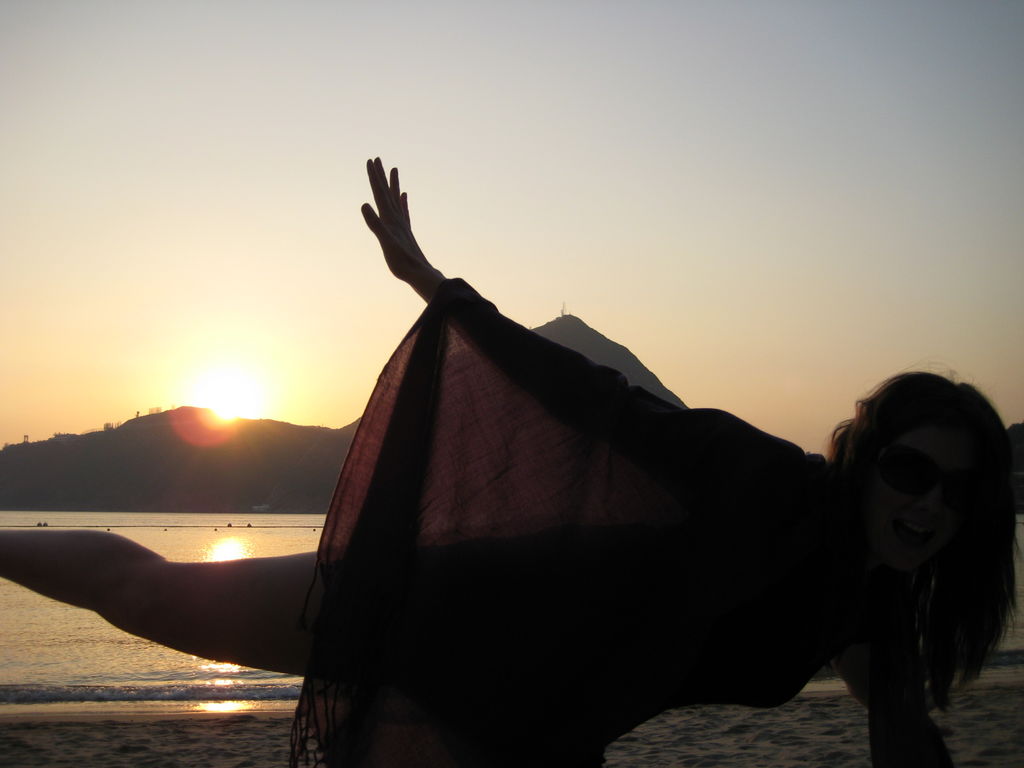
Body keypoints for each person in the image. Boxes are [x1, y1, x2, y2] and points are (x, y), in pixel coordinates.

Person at [0, 159, 1016, 768]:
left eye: (955, 491)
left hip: (538, 719)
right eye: (909, 472)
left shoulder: (872, 595)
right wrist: (437, 288)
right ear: (867, 459)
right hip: (463, 612)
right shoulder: (771, 487)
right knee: (154, 597)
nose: (926, 506)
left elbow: (899, 723)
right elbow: (604, 408)